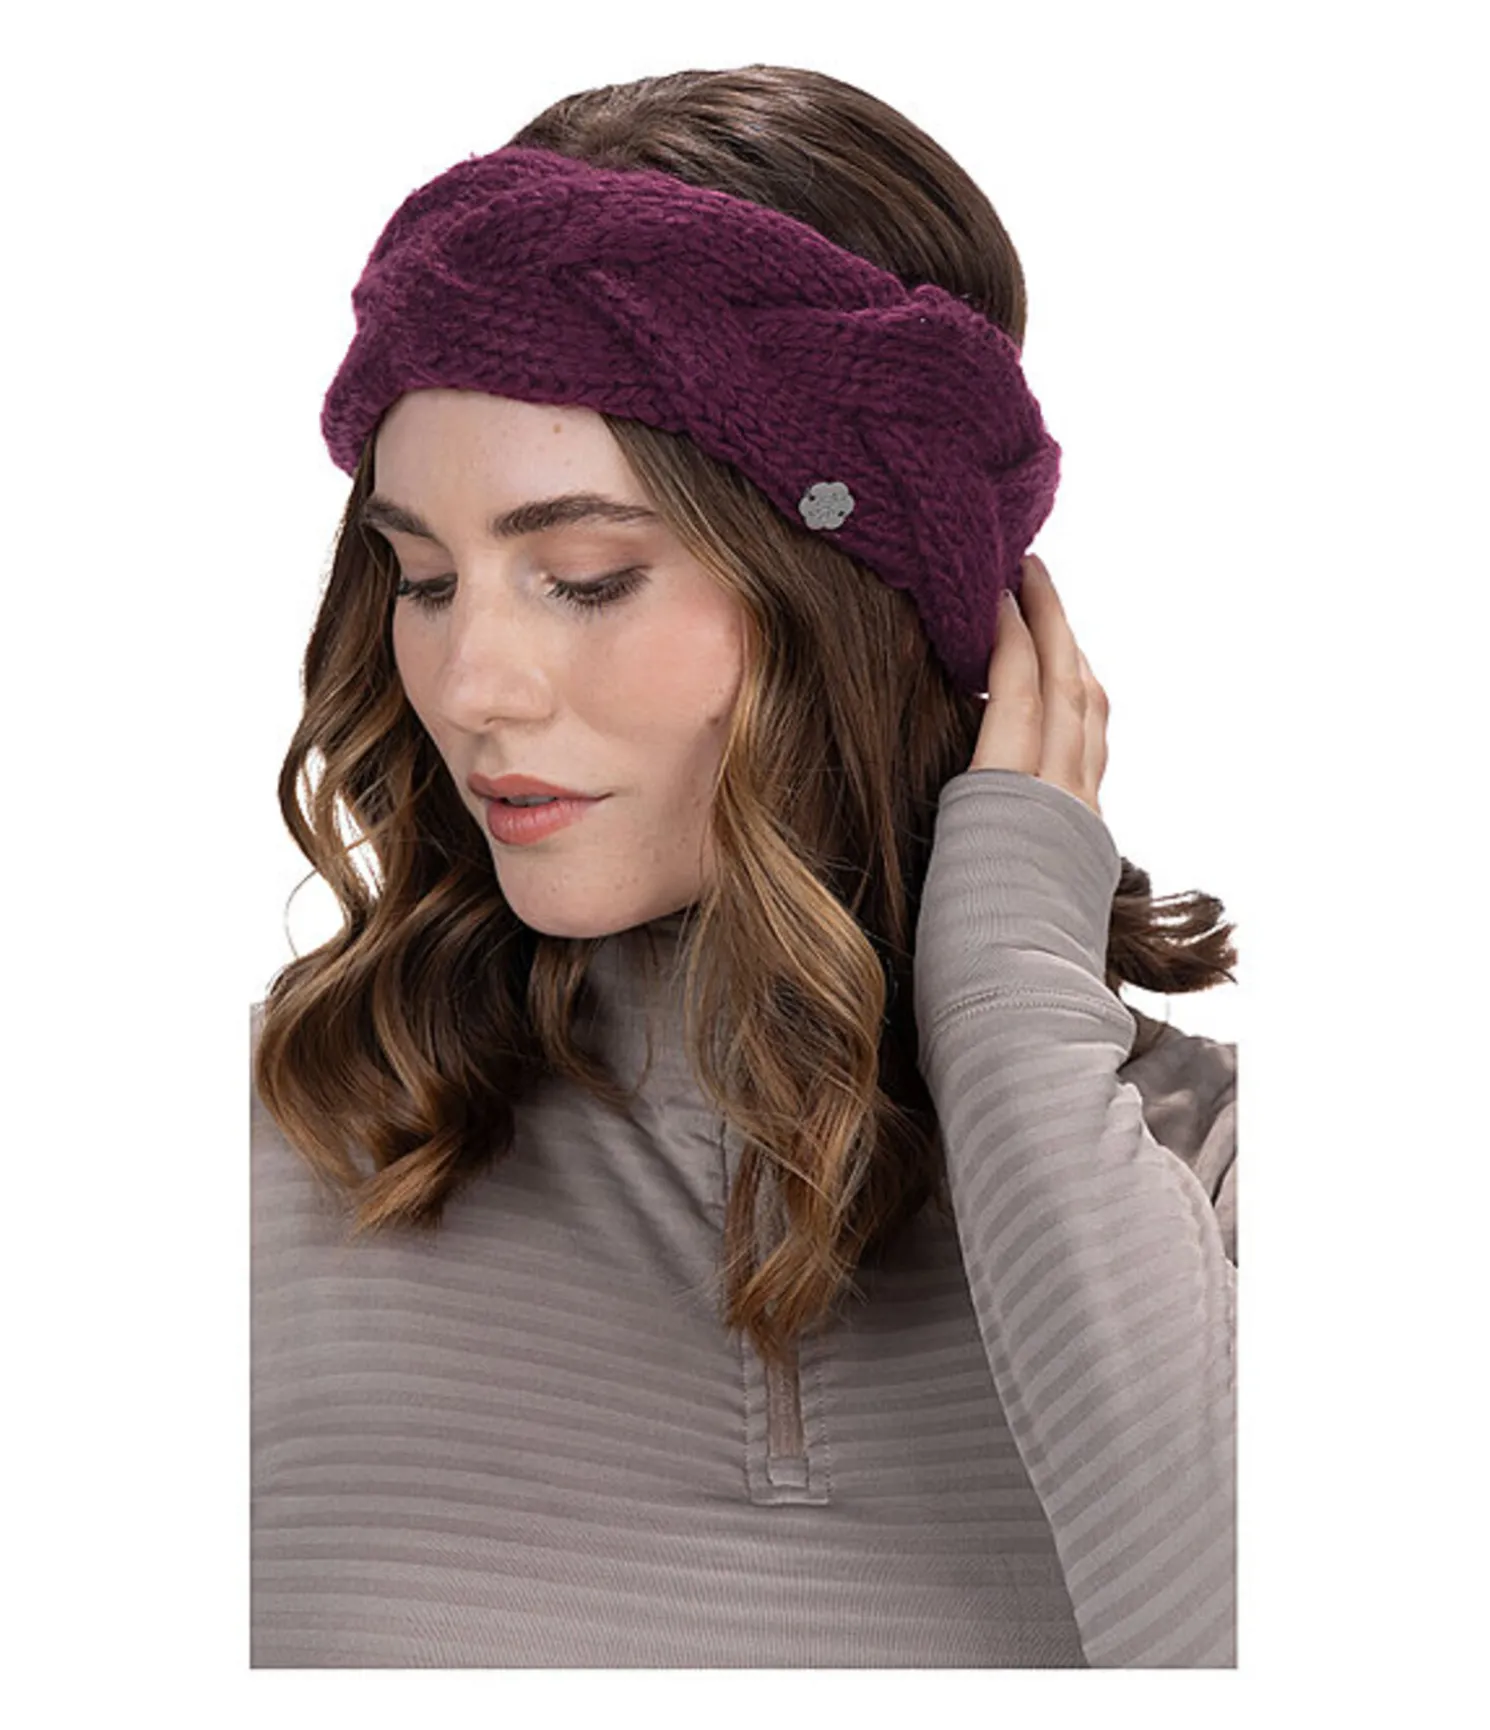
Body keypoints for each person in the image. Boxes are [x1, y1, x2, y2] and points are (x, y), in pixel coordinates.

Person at [251, 63, 1238, 1669]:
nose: (470, 683)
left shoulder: (1216, 1172)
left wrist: (1003, 1001)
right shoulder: (267, 1150)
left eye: (585, 575)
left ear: (864, 599)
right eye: (421, 579)